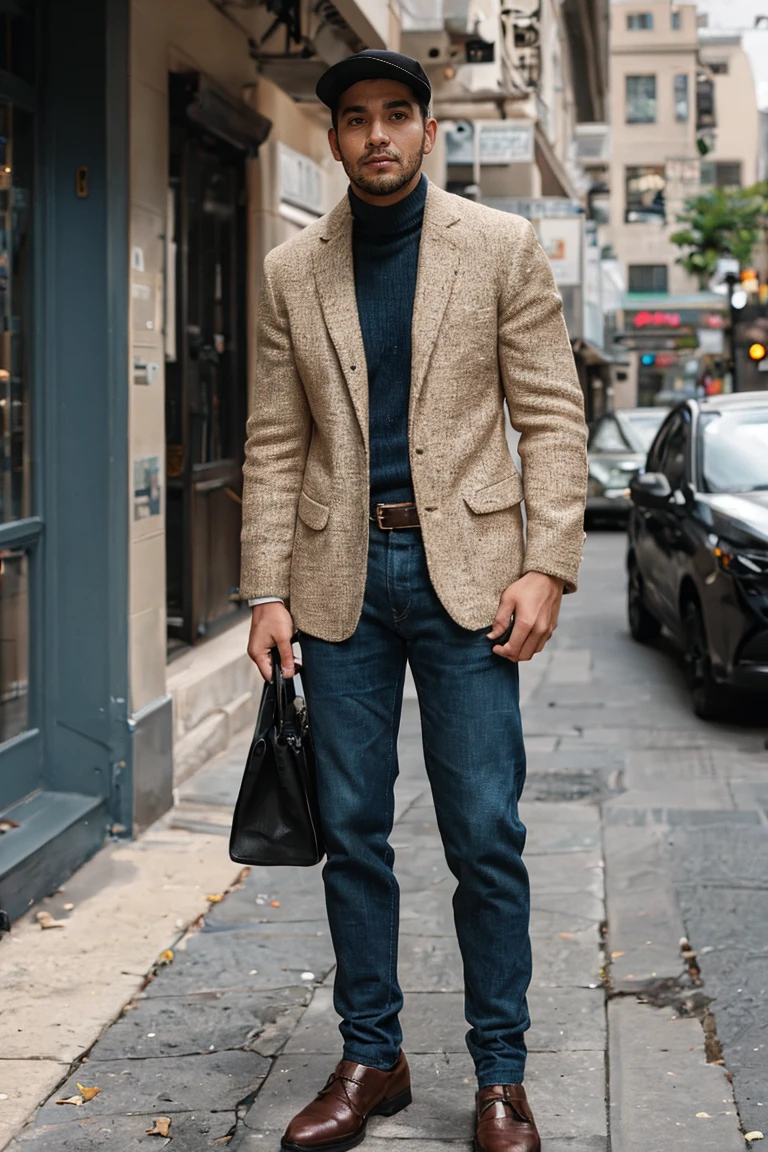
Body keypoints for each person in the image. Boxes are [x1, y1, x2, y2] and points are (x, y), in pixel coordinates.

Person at [241, 49, 588, 1152]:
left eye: (398, 114)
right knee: (353, 832)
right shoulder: (291, 269)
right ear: (335, 138)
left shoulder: (499, 246)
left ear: (428, 131)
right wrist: (264, 590)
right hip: (338, 582)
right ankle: (371, 1056)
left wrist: (547, 564)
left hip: (470, 584)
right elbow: (274, 440)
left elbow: (552, 418)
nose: (377, 134)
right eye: (356, 119)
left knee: (484, 831)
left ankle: (499, 1075)